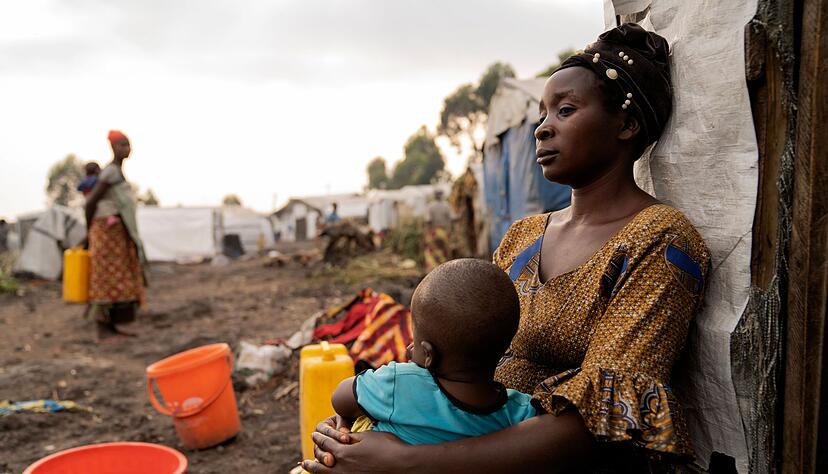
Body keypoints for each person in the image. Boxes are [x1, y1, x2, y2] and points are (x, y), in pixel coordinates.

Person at [305, 23, 711, 473]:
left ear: (627, 124)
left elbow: (604, 421)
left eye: (566, 110)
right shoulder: (523, 236)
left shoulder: (660, 240)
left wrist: (407, 461)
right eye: (542, 114)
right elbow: (448, 353)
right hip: (454, 439)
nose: (542, 129)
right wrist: (366, 423)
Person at [327, 259, 536, 446]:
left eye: (415, 342)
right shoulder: (521, 412)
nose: (409, 349)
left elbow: (340, 398)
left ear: (428, 355)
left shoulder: (400, 383)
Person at [84, 130, 147, 339]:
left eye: (128, 144)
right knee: (105, 279)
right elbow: (90, 202)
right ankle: (102, 328)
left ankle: (112, 327)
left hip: (117, 233)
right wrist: (90, 231)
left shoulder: (116, 172)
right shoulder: (110, 172)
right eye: (122, 145)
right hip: (106, 232)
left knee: (118, 278)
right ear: (113, 147)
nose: (126, 149)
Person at [423, 189, 452, 271]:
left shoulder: (430, 206)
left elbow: (428, 221)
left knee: (431, 251)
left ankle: (433, 269)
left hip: (434, 232)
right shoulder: (446, 206)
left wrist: (427, 233)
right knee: (444, 251)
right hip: (444, 232)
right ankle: (445, 269)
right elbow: (452, 218)